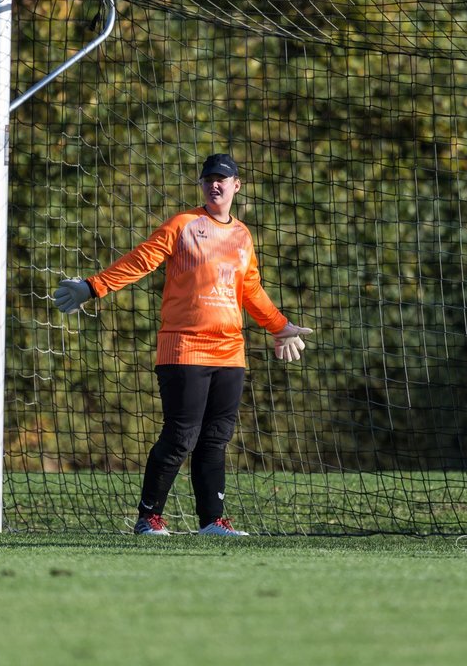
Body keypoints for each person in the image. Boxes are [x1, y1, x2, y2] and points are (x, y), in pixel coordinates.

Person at [52, 153, 311, 537]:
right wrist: (93, 287)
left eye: (222, 179)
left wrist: (279, 326)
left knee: (216, 440)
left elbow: (250, 289)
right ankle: (149, 518)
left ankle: (213, 522)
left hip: (230, 354)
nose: (215, 184)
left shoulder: (242, 235)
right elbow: (142, 259)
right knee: (180, 437)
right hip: (184, 349)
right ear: (202, 184)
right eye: (208, 178)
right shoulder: (184, 225)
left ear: (236, 186)